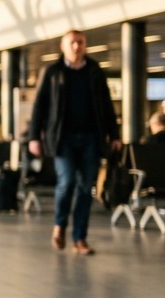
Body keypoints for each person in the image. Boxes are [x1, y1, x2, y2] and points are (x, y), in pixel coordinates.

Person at [27, 29, 121, 256]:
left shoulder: (95, 71)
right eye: (73, 43)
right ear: (63, 46)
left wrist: (114, 135)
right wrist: (33, 137)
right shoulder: (52, 72)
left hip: (91, 137)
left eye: (81, 42)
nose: (77, 47)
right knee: (67, 182)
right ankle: (60, 225)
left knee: (85, 188)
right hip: (62, 138)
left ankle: (80, 238)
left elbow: (106, 105)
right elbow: (39, 107)